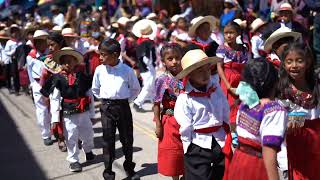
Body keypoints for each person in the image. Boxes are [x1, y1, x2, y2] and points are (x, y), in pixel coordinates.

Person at [174, 49, 232, 180]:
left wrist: (228, 133)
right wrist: (188, 146)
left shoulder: (216, 89)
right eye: (199, 71)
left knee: (222, 174)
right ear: (190, 75)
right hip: (197, 144)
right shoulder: (185, 99)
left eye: (207, 69)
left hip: (219, 140)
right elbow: (185, 125)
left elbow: (225, 112)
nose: (205, 74)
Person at [227, 59, 287, 180]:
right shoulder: (274, 110)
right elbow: (269, 150)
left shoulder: (246, 102)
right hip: (256, 166)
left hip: (239, 160)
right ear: (275, 82)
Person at [91, 39, 141, 180]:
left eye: (103, 55)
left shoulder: (127, 70)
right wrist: (105, 100)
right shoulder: (100, 70)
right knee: (108, 140)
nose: (100, 58)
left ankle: (129, 167)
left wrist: (126, 100)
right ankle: (108, 172)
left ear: (115, 55)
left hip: (123, 107)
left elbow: (136, 89)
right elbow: (95, 88)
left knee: (127, 139)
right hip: (107, 108)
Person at [40, 47, 95, 172]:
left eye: (70, 61)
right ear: (60, 63)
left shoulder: (82, 76)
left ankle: (88, 150)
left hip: (83, 111)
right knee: (71, 136)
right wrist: (54, 118)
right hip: (68, 113)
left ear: (76, 61)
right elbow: (54, 99)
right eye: (64, 61)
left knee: (88, 134)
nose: (67, 64)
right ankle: (73, 160)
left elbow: (89, 93)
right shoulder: (57, 78)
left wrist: (92, 111)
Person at [278, 43, 320, 180]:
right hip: (297, 153)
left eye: (299, 61)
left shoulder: (316, 86)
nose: (294, 65)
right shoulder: (282, 92)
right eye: (289, 62)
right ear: (284, 65)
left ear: (307, 63)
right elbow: (279, 124)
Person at [154, 44, 184, 180]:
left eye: (177, 58)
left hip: (187, 120)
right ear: (164, 61)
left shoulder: (188, 76)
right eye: (170, 58)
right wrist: (158, 125)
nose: (174, 61)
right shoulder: (162, 80)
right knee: (173, 154)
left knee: (187, 152)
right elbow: (156, 103)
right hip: (170, 121)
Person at [216, 21, 249, 130]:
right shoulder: (221, 49)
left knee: (242, 105)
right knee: (230, 107)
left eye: (231, 32)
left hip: (242, 80)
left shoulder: (244, 48)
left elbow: (246, 67)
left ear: (238, 33)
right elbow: (220, 67)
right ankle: (231, 134)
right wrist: (228, 86)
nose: (228, 35)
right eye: (226, 33)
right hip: (228, 81)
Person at [40, 32, 67, 152]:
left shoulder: (69, 55)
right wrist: (45, 95)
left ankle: (74, 137)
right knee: (57, 115)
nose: (50, 48)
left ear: (60, 43)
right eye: (48, 45)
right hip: (55, 91)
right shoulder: (48, 60)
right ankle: (61, 138)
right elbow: (44, 77)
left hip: (70, 90)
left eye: (52, 45)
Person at [26, 30, 52, 146]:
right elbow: (30, 73)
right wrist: (33, 85)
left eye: (44, 41)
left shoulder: (51, 54)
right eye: (39, 41)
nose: (42, 44)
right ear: (35, 43)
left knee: (54, 109)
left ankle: (56, 131)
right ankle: (46, 134)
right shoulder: (31, 56)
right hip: (38, 84)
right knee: (42, 111)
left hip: (51, 83)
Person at [132, 19, 157, 112]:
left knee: (151, 86)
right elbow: (146, 57)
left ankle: (155, 103)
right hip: (147, 68)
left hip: (144, 67)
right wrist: (150, 66)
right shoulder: (147, 42)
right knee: (148, 86)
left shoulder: (140, 42)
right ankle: (137, 103)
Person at [3, 24, 22, 94]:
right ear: (11, 33)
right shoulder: (9, 42)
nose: (15, 33)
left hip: (20, 60)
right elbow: (6, 52)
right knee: (14, 74)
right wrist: (13, 52)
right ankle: (16, 89)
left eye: (16, 31)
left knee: (20, 74)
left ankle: (20, 86)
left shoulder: (20, 42)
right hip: (13, 60)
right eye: (13, 32)